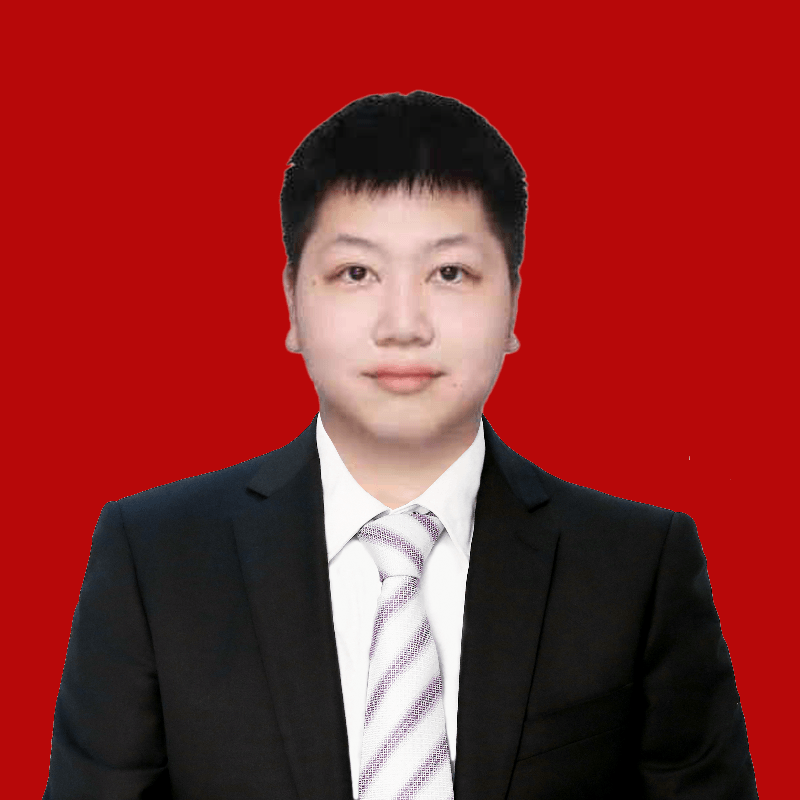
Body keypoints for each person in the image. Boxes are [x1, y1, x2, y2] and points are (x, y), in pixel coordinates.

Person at [44, 91, 757, 799]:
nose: (404, 325)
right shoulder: (155, 558)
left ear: (513, 301)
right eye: (356, 273)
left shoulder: (636, 566)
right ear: (292, 301)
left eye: (450, 273)